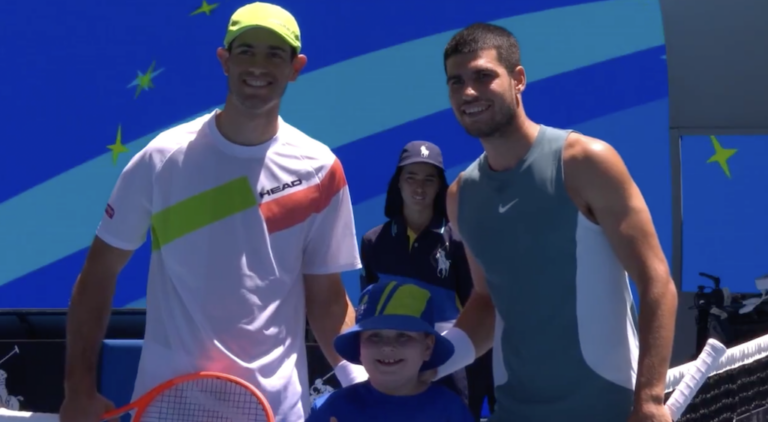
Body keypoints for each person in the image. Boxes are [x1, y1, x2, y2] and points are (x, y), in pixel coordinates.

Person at [58, 3, 368, 422]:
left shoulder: (320, 169)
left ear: (296, 67)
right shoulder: (161, 159)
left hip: (277, 412)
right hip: (165, 409)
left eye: (275, 54)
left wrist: (366, 388)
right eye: (246, 51)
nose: (258, 65)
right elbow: (98, 276)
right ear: (224, 60)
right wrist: (78, 389)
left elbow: (328, 301)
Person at [432, 23, 678, 422]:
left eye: (483, 76)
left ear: (518, 80)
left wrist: (649, 400)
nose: (468, 92)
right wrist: (431, 362)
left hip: (608, 412)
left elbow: (656, 283)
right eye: (456, 82)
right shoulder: (460, 196)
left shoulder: (586, 162)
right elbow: (486, 302)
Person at [358, 140, 494, 418]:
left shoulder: (458, 240)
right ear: (398, 183)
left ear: (439, 186)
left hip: (448, 363)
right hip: (394, 360)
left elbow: (479, 310)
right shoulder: (373, 241)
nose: (419, 188)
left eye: (428, 179)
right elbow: (370, 312)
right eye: (411, 178)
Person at [305, 281, 474, 422]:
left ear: (427, 347)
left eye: (403, 336)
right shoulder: (331, 409)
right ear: (359, 347)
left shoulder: (449, 409)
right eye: (375, 336)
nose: (387, 346)